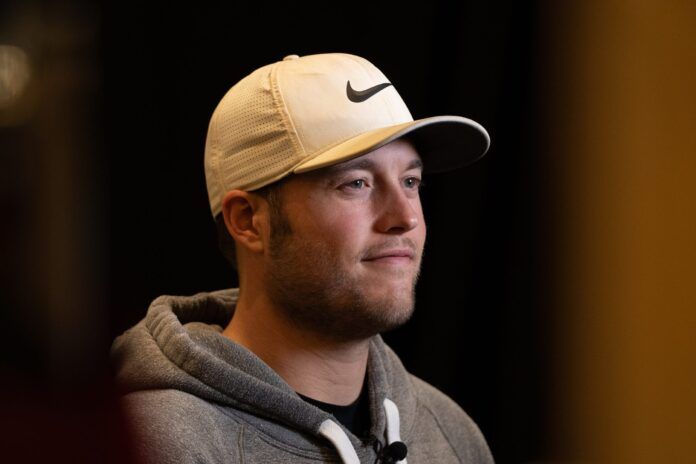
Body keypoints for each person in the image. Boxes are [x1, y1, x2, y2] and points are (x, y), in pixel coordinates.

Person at [111, 52, 494, 464]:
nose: (406, 218)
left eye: (410, 181)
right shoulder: (155, 443)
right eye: (357, 183)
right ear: (248, 220)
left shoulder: (449, 432)